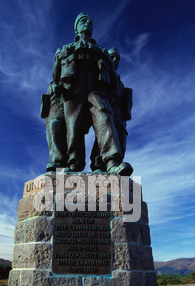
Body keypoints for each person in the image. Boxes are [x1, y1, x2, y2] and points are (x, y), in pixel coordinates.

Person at [52, 12, 133, 176]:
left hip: (96, 87)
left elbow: (111, 74)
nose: (87, 23)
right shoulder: (66, 49)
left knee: (105, 116)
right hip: (73, 87)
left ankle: (112, 162)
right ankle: (74, 163)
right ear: (76, 28)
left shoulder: (101, 50)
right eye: (82, 21)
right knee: (72, 124)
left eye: (89, 21)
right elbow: (56, 74)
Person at [90, 47, 133, 172]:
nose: (115, 60)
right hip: (103, 104)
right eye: (112, 57)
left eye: (117, 58)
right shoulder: (100, 71)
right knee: (105, 131)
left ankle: (115, 166)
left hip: (118, 110)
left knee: (120, 134)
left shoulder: (120, 82)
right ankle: (99, 164)